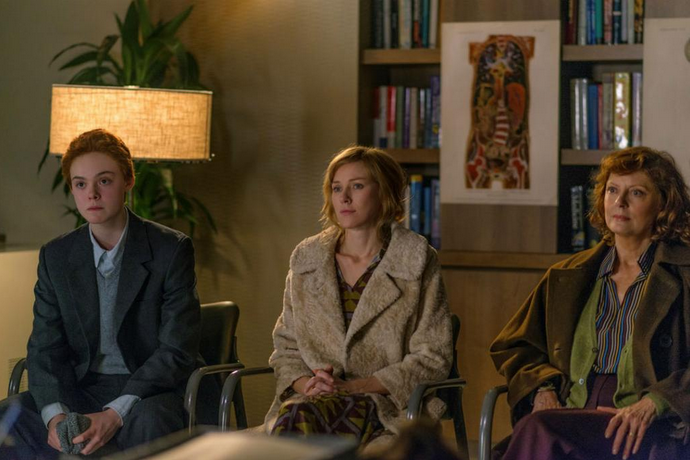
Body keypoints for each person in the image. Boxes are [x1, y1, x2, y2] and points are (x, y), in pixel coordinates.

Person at [0, 129, 203, 458]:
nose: (92, 194)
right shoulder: (56, 256)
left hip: (149, 390)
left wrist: (115, 413)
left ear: (128, 181)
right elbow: (44, 347)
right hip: (82, 387)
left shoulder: (170, 249)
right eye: (80, 184)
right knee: (8, 418)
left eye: (104, 181)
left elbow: (176, 349)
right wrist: (56, 417)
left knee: (150, 422)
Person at [490, 146, 690, 460]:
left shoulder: (684, 275)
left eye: (636, 193)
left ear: (663, 204)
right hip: (571, 413)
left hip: (645, 426)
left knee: (537, 432)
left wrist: (658, 402)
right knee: (539, 431)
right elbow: (515, 345)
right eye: (612, 190)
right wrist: (542, 387)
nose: (620, 202)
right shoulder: (568, 275)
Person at [264, 146, 453, 449]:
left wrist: (353, 388)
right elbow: (286, 349)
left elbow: (432, 358)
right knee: (301, 414)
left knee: (300, 425)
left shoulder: (416, 260)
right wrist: (309, 385)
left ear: (384, 192)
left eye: (357, 186)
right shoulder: (306, 260)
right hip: (309, 401)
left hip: (384, 406)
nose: (344, 198)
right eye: (337, 188)